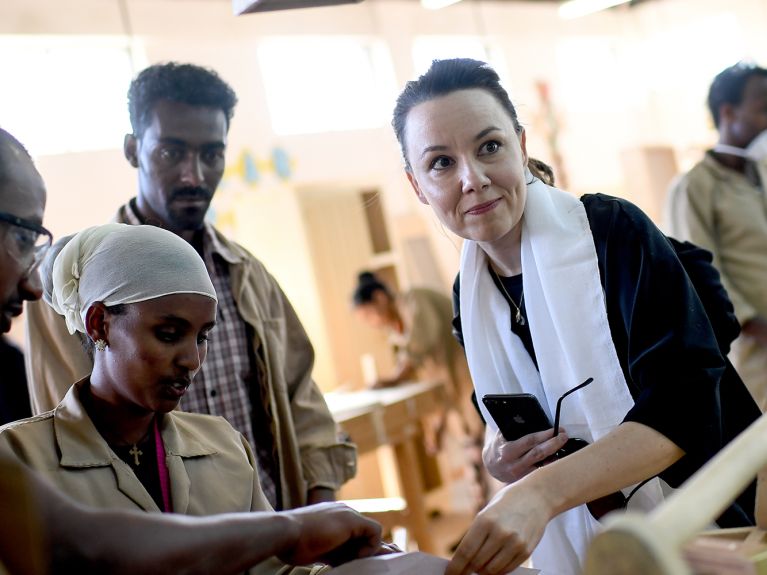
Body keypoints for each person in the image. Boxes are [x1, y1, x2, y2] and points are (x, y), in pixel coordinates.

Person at [391, 58, 760, 575]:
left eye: (489, 147)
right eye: (441, 163)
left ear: (520, 147)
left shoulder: (611, 234)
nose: (472, 179)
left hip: (699, 527)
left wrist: (541, 494)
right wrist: (500, 457)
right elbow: (505, 419)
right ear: (416, 186)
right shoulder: (468, 295)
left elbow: (685, 405)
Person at [0, 127, 382, 574]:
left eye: (202, 336)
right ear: (99, 323)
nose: (191, 360)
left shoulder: (223, 445)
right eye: (167, 333)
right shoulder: (24, 454)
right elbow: (79, 548)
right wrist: (292, 529)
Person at [24, 62, 356, 510]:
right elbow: (69, 441)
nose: (193, 176)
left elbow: (301, 400)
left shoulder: (247, 276)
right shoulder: (78, 288)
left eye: (211, 155)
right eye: (171, 153)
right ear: (133, 149)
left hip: (270, 536)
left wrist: (317, 512)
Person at [666, 61, 767, 410]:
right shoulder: (695, 187)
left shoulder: (761, 173)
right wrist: (754, 324)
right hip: (752, 355)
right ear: (728, 113)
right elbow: (700, 277)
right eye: (763, 110)